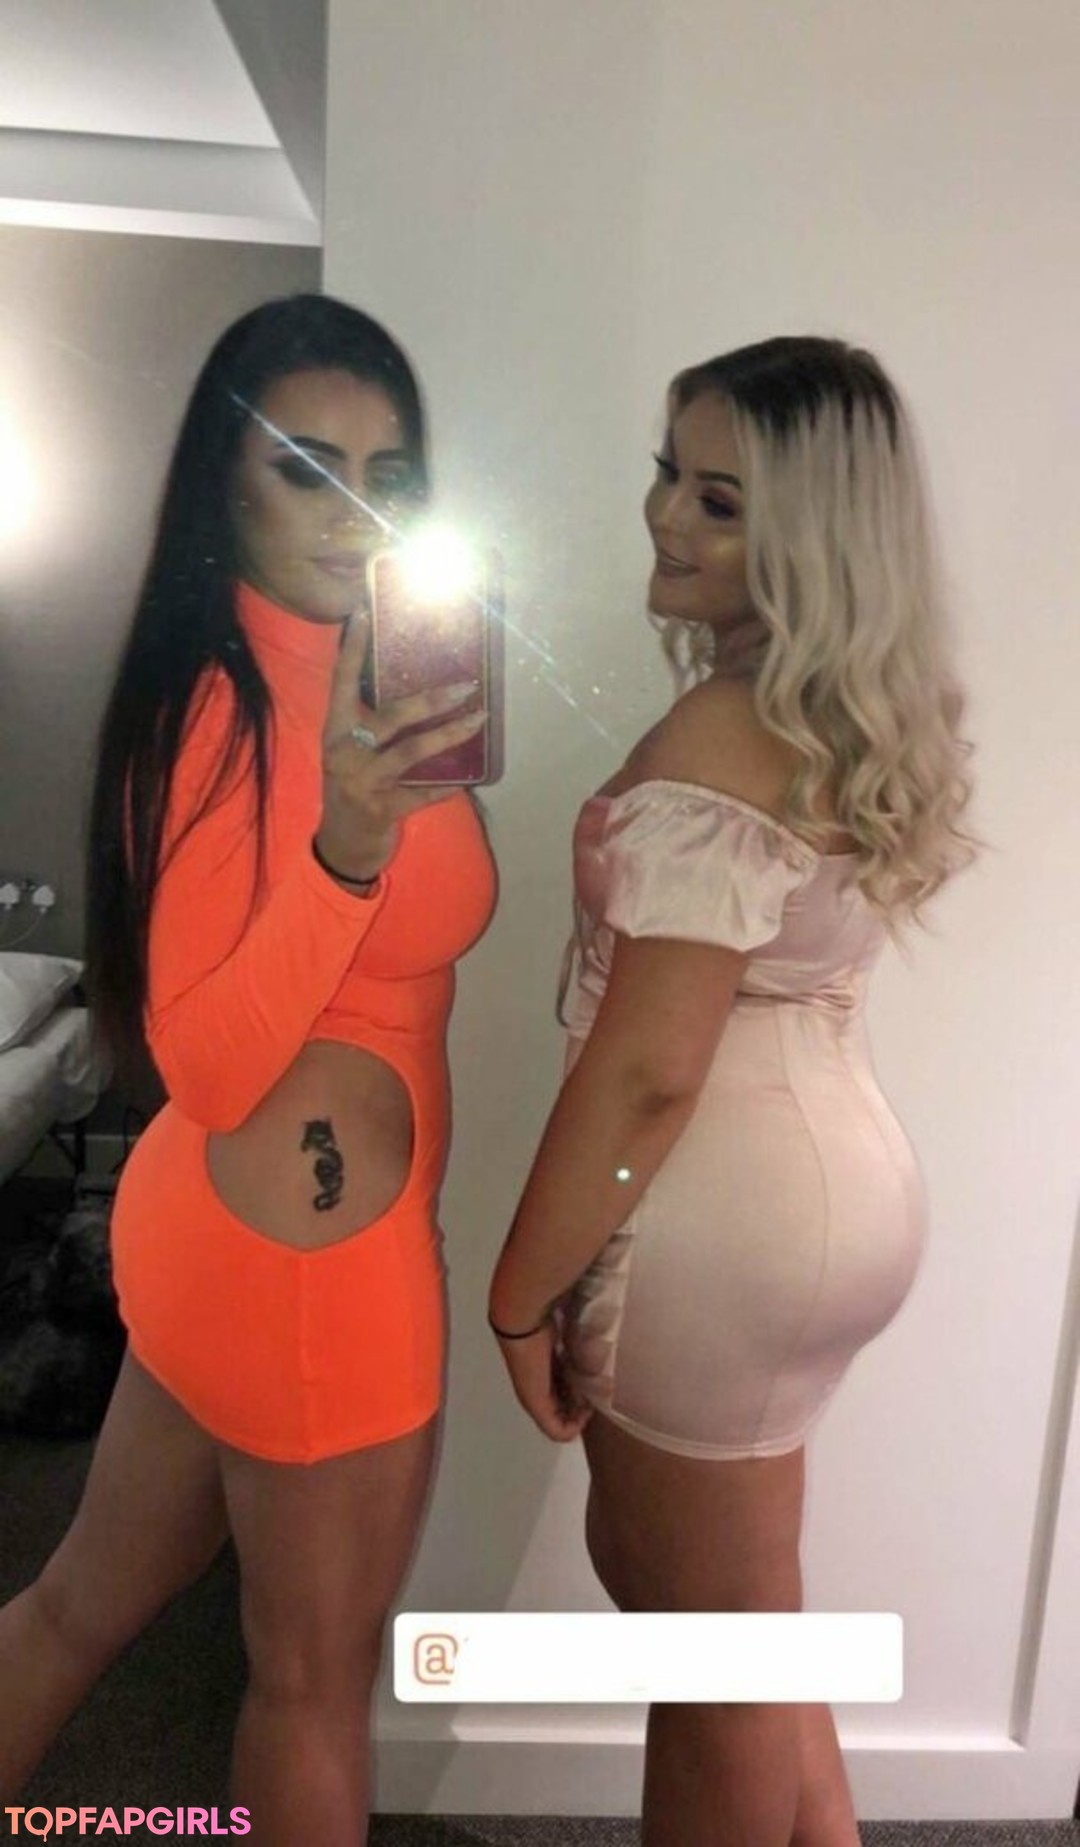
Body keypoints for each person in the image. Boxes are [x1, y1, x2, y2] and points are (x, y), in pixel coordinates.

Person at [0, 294, 496, 1845]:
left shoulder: (363, 673)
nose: (354, 513)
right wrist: (347, 848)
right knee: (309, 1690)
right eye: (306, 468)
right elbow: (206, 1066)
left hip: (242, 1247)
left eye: (389, 476)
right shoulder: (220, 708)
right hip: (306, 1278)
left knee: (78, 1607)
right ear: (225, 480)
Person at [489, 336, 982, 1847]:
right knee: (746, 1630)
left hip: (714, 1226)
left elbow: (649, 1076)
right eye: (669, 476)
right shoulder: (837, 714)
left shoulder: (723, 732)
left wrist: (519, 1293)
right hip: (832, 1205)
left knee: (706, 1667)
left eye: (719, 500)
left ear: (812, 540)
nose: (664, 516)